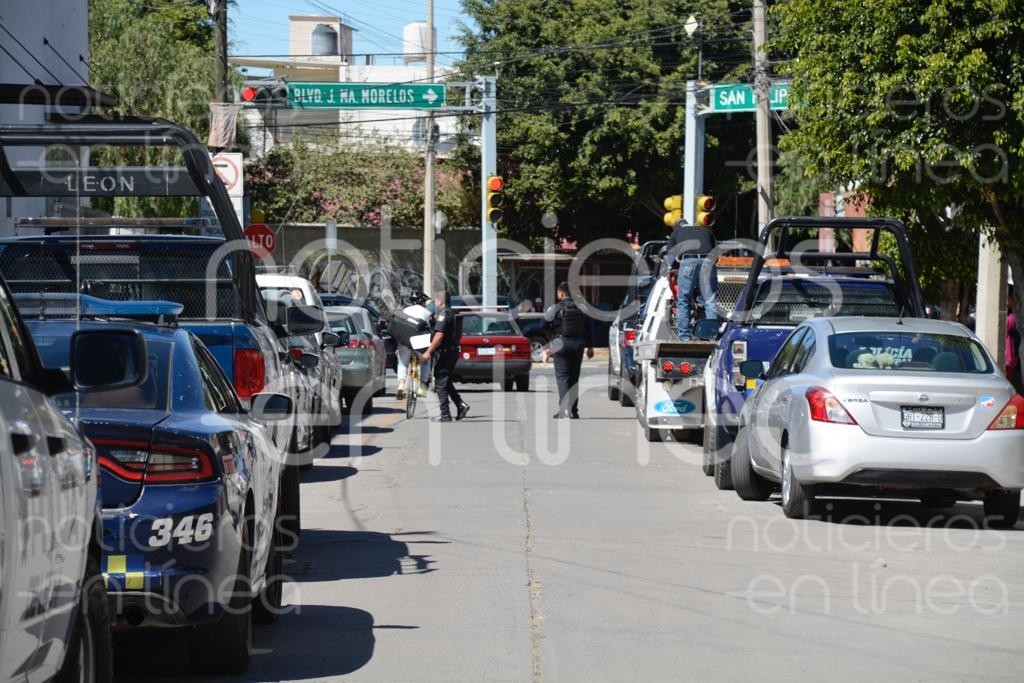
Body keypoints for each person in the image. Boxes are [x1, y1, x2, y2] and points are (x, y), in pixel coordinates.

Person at [544, 282, 594, 418]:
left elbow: (542, 324)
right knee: (574, 378)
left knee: (563, 377)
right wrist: (590, 347)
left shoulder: (555, 308)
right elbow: (589, 328)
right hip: (578, 345)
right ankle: (574, 411)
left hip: (561, 344)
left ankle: (564, 409)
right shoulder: (582, 307)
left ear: (561, 294)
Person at [422, 290, 470, 422]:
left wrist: (428, 351)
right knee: (446, 380)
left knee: (440, 383)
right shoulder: (454, 312)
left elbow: (439, 335)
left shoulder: (444, 314)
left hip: (446, 352)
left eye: (436, 301)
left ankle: (445, 414)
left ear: (440, 301)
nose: (435, 303)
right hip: (453, 351)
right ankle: (460, 405)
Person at [665, 221, 718, 340]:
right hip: (708, 261)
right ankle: (711, 335)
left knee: (684, 301)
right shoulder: (706, 230)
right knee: (710, 300)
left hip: (688, 261)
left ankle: (684, 337)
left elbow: (670, 256)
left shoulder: (677, 232)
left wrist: (674, 267)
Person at [395, 291, 433, 401]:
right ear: (422, 301)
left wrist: (397, 347)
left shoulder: (404, 311)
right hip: (419, 342)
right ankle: (422, 385)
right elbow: (432, 329)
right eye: (425, 301)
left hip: (404, 340)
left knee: (402, 363)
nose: (425, 304)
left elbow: (399, 328)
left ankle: (401, 385)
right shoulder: (427, 313)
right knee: (426, 360)